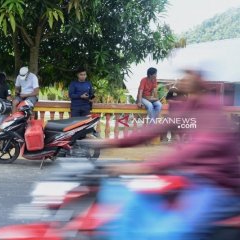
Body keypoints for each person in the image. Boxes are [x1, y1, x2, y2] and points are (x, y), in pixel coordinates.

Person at [82, 68, 240, 239]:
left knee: (170, 232)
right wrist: (109, 142)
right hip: (190, 175)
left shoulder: (211, 110)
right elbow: (155, 129)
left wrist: (145, 167)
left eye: (189, 74)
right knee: (138, 197)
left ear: (200, 81)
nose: (184, 79)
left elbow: (195, 149)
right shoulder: (188, 108)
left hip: (217, 185)